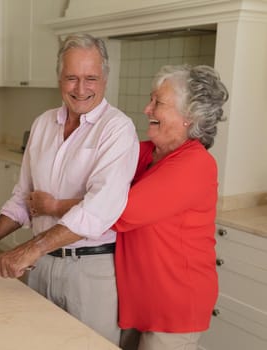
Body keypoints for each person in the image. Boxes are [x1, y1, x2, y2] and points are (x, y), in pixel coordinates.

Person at [0, 33, 139, 345]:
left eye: (90, 78)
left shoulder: (117, 129)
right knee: (33, 342)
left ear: (105, 78)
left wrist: (31, 248)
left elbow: (97, 210)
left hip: (90, 271)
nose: (81, 89)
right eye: (72, 78)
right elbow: (21, 198)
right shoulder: (42, 125)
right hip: (41, 267)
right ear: (59, 78)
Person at [111, 64, 229, 350]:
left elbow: (121, 213)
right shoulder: (148, 151)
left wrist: (56, 204)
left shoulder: (195, 164)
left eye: (158, 102)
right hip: (143, 296)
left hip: (176, 302)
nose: (147, 108)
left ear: (189, 116)